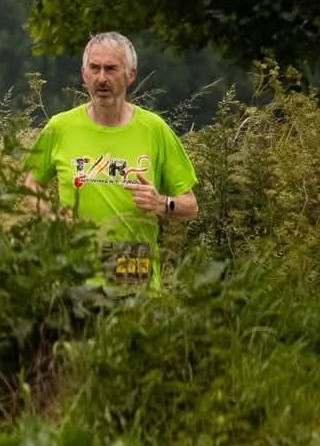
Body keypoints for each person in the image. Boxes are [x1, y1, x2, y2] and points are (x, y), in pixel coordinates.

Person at [23, 32, 199, 287]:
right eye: (94, 68)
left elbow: (190, 206)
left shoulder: (154, 129)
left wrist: (161, 202)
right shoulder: (60, 127)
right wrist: (52, 218)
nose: (102, 78)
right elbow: (28, 184)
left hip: (132, 272)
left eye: (111, 69)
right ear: (84, 74)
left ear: (131, 74)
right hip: (74, 273)